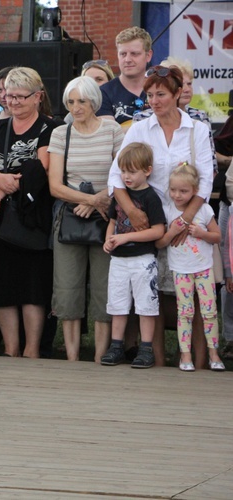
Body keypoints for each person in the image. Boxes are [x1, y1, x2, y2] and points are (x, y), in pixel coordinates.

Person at [107, 65, 214, 367]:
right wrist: (131, 210)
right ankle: (154, 359)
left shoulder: (198, 129)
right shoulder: (140, 128)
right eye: (150, 94)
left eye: (161, 94)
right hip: (148, 223)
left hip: (187, 224)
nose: (154, 100)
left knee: (192, 295)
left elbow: (205, 180)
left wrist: (183, 222)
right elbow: (116, 173)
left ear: (178, 94)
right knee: (150, 296)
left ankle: (200, 362)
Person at [0, 67, 58, 358]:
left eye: (21, 97)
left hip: (31, 213)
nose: (14, 102)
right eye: (10, 97)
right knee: (1, 283)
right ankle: (11, 349)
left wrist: (4, 186)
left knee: (32, 284)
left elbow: (41, 168)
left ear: (38, 97)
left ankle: (32, 350)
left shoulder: (50, 127)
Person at [48, 76, 124, 362]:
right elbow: (55, 185)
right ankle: (72, 357)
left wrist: (99, 201)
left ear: (95, 101)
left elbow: (122, 176)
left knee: (105, 287)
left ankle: (100, 356)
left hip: (107, 219)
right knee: (67, 288)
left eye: (82, 101)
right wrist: (90, 200)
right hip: (71, 216)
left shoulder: (113, 130)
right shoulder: (61, 133)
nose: (76, 107)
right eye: (71, 101)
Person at [101, 142, 166, 368]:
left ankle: (146, 348)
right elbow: (112, 220)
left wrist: (125, 238)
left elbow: (158, 230)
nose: (126, 177)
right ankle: (116, 345)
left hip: (143, 259)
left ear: (147, 170)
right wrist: (109, 239)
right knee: (117, 303)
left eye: (132, 171)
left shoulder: (151, 197)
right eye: (123, 171)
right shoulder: (121, 196)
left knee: (146, 304)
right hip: (118, 259)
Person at [155, 162, 224, 371]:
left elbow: (217, 236)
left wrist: (202, 234)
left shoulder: (204, 209)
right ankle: (185, 355)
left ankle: (214, 353)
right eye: (173, 190)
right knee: (184, 312)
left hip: (203, 269)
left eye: (183, 191)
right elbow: (159, 243)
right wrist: (172, 232)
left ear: (195, 191)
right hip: (181, 270)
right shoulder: (167, 211)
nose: (177, 195)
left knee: (209, 311)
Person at [98, 27, 152, 124]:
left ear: (148, 56)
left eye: (134, 54)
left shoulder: (160, 89)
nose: (127, 59)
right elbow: (110, 133)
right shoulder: (103, 93)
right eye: (123, 54)